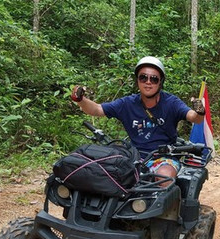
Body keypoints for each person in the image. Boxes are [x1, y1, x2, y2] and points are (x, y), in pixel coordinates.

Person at [70, 56, 205, 185]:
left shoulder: (171, 102)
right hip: (132, 156)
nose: (148, 82)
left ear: (160, 82)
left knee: (165, 178)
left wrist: (199, 111)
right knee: (104, 173)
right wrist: (80, 99)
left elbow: (194, 118)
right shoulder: (127, 103)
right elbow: (97, 110)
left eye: (154, 79)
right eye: (143, 77)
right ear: (137, 81)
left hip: (164, 157)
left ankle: (168, 208)